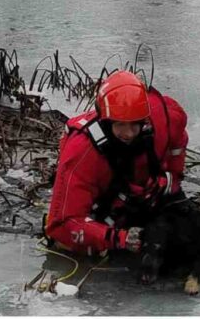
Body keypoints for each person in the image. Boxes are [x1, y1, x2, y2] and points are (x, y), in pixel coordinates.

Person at [45, 70, 188, 256]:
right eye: (120, 125)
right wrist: (117, 238)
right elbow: (60, 226)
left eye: (134, 125)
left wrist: (172, 179)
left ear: (144, 121)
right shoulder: (82, 152)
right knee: (73, 247)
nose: (128, 133)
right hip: (105, 195)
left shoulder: (161, 118)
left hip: (139, 189)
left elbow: (178, 136)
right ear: (106, 122)